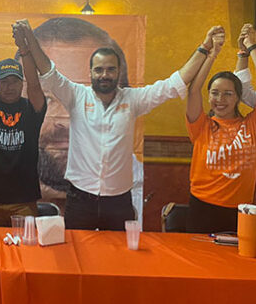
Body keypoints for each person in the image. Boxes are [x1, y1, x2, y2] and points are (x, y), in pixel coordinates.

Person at [20, 20, 218, 230]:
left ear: (118, 72)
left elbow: (174, 83)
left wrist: (204, 48)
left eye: (110, 69)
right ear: (90, 73)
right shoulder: (76, 96)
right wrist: (30, 39)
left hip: (119, 202)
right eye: (99, 70)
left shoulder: (133, 99)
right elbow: (48, 71)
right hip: (80, 200)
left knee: (119, 251)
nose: (104, 75)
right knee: (77, 248)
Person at [29, 17, 129, 201]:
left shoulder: (130, 186)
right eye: (47, 99)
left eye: (90, 99)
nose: (65, 120)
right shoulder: (4, 183)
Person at [0, 22, 46, 226]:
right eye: (4, 81)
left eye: (14, 81)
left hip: (23, 202)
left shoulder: (32, 108)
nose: (9, 86)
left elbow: (35, 84)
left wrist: (24, 49)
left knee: (25, 247)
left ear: (22, 83)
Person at [186, 26, 256, 233]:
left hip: (240, 211)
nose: (220, 99)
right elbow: (193, 89)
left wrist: (251, 48)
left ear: (238, 97)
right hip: (201, 208)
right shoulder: (201, 125)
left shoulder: (250, 125)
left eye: (228, 94)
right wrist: (212, 54)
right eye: (215, 93)